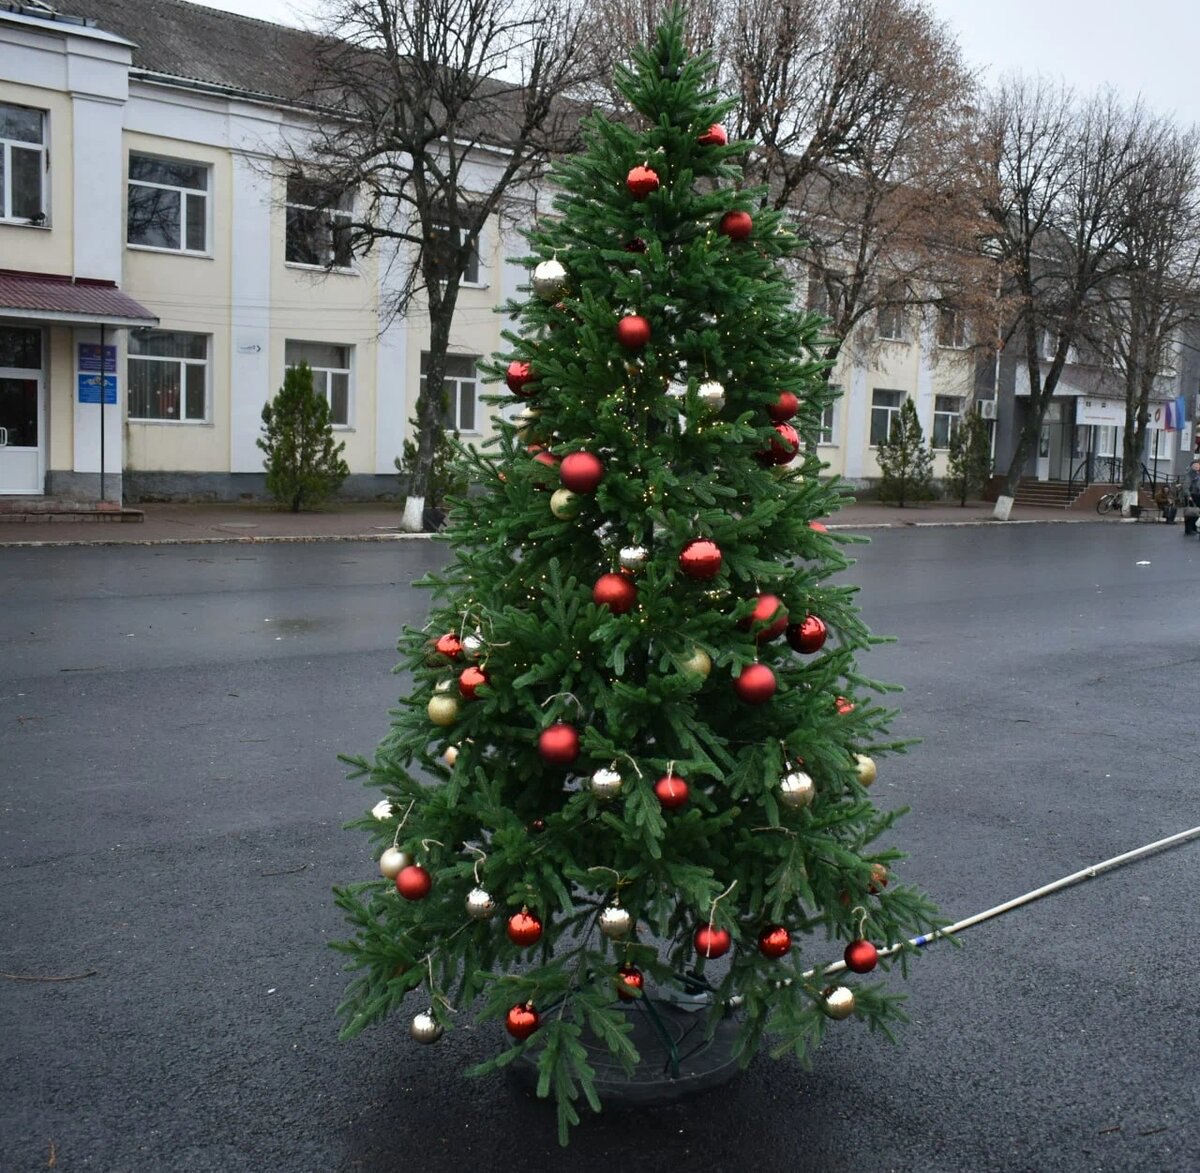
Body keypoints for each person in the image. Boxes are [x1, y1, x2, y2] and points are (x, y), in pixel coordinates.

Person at [1184, 461, 1200, 536]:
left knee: (1196, 512)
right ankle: (1188, 529)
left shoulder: (1197, 474)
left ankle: (1194, 528)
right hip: (1191, 495)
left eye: (1198, 465)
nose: (1197, 467)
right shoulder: (1189, 474)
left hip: (1197, 495)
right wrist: (1188, 495)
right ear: (1191, 466)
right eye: (1195, 465)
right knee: (1190, 513)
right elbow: (1186, 486)